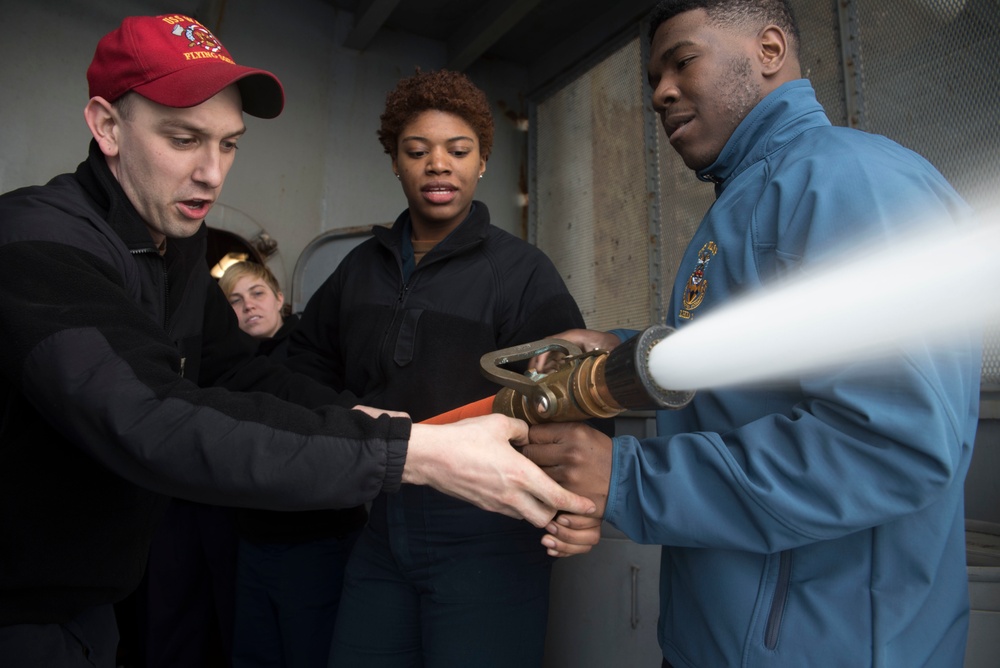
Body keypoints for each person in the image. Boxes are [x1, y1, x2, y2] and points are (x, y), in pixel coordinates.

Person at [0, 14, 596, 668]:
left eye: (229, 144)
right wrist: (402, 448)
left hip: (474, 521)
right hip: (25, 606)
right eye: (184, 139)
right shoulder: (38, 241)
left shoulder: (173, 244)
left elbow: (237, 374)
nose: (212, 173)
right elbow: (149, 413)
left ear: (484, 160)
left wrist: (364, 425)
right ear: (107, 126)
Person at [522, 1, 981, 666]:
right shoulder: (752, 199)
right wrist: (621, 353)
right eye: (652, 79)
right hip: (722, 638)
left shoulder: (850, 182)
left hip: (824, 648)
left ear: (768, 50)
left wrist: (627, 479)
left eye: (682, 61)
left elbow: (889, 441)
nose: (660, 93)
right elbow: (755, 372)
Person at [283, 68, 597, 668]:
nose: (438, 165)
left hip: (490, 529)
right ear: (394, 162)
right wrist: (351, 423)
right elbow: (300, 364)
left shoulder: (521, 272)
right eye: (416, 151)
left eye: (458, 150)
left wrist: (576, 504)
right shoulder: (359, 269)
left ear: (482, 163)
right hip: (380, 518)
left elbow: (571, 400)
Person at [220, 261, 366, 668]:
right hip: (254, 538)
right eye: (235, 300)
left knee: (310, 652)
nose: (248, 305)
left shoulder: (310, 358)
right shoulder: (227, 369)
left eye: (257, 293)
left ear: (280, 299)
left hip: (316, 538)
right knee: (254, 653)